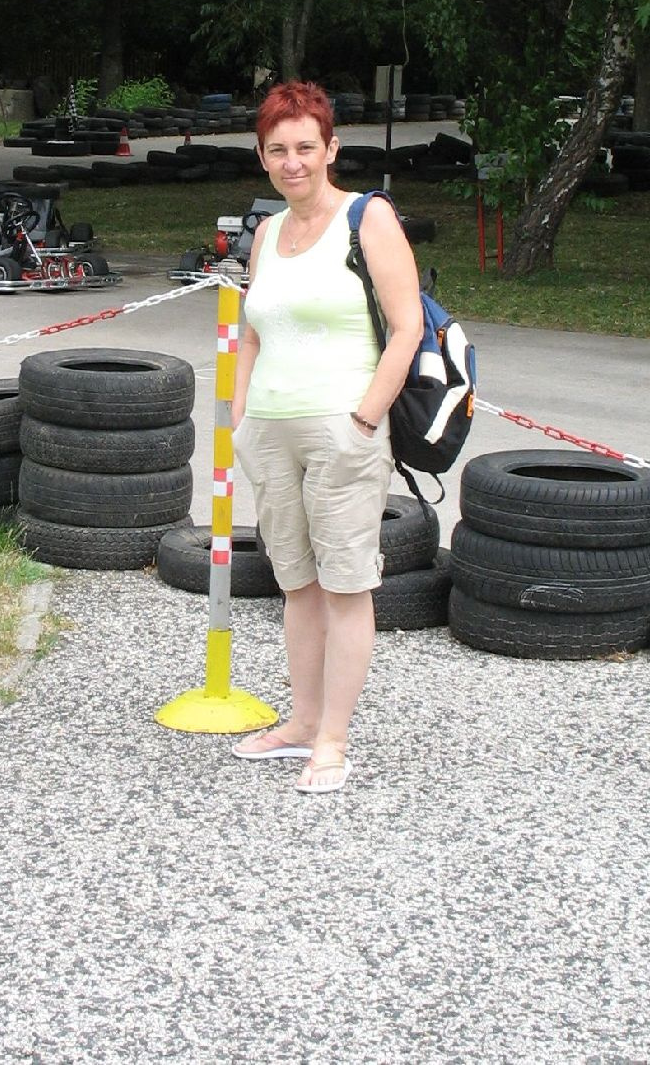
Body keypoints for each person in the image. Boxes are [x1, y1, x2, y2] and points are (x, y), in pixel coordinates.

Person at [230, 81, 423, 793]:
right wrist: (243, 418)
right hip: (272, 432)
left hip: (343, 428)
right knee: (298, 587)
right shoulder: (268, 233)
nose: (293, 162)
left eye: (306, 147)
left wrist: (365, 418)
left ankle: (333, 741)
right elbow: (252, 332)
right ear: (262, 156)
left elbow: (407, 329)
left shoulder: (367, 219)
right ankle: (301, 723)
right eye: (278, 150)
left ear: (331, 149)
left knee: (345, 587)